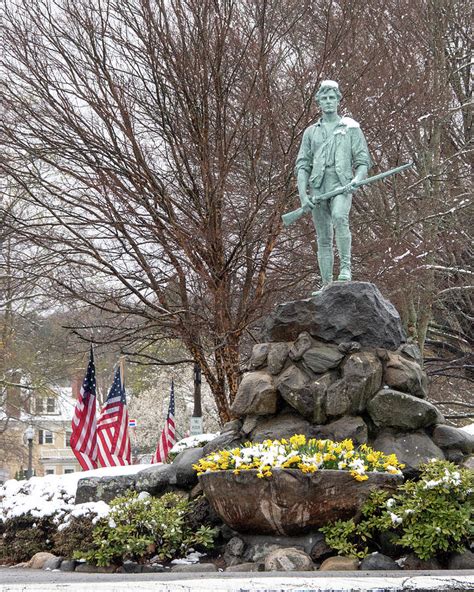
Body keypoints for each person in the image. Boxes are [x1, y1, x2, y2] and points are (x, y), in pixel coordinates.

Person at [295, 80, 371, 290]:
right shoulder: (310, 132)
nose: (328, 102)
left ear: (338, 100)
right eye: (324, 98)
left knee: (339, 216)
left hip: (341, 184)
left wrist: (357, 180)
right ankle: (326, 284)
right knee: (323, 238)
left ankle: (346, 268)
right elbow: (302, 165)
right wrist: (303, 195)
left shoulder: (351, 128)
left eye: (332, 98)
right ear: (318, 102)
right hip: (318, 187)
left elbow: (363, 161)